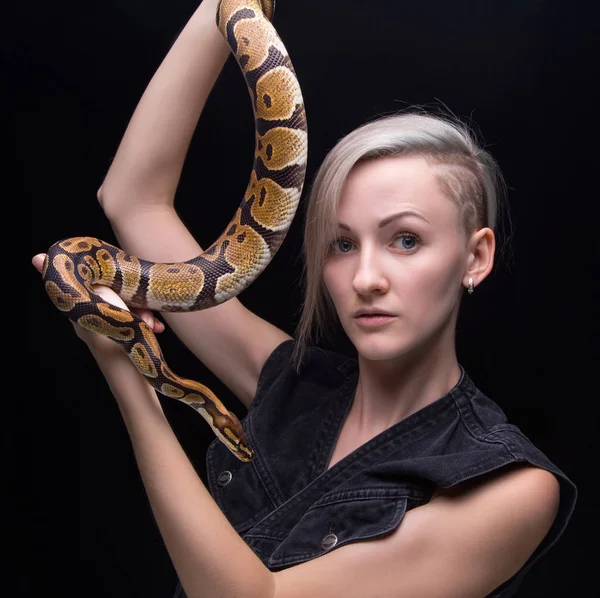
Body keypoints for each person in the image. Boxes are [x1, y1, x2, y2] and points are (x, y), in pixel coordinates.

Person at [32, 0, 577, 596]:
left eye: (405, 240)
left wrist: (128, 373)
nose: (366, 277)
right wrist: (231, 9)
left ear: (475, 257)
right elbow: (132, 199)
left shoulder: (513, 489)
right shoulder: (295, 383)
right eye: (342, 244)